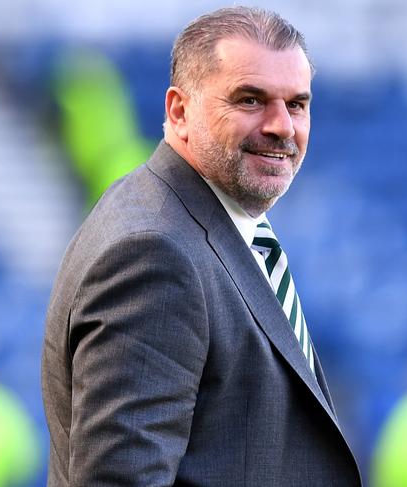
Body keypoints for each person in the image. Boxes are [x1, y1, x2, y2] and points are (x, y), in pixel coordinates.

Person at [42, 6, 361, 486]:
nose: (282, 126)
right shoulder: (154, 255)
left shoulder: (206, 223)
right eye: (250, 100)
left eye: (296, 104)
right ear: (179, 110)